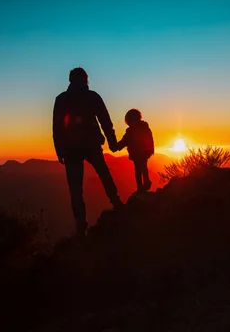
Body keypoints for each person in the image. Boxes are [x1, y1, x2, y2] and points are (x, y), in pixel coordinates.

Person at [52, 67, 123, 236]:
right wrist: (112, 143)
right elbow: (106, 121)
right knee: (104, 173)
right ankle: (116, 202)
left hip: (70, 148)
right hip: (91, 144)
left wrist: (59, 149)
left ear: (70, 80)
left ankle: (81, 226)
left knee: (75, 188)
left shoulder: (61, 99)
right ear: (86, 79)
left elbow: (57, 127)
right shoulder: (92, 97)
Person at [116, 109, 154, 193]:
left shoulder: (131, 130)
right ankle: (146, 183)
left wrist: (116, 146)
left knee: (138, 169)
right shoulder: (145, 127)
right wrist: (150, 150)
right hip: (146, 152)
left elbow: (125, 141)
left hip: (137, 153)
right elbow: (150, 139)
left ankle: (140, 187)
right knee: (144, 167)